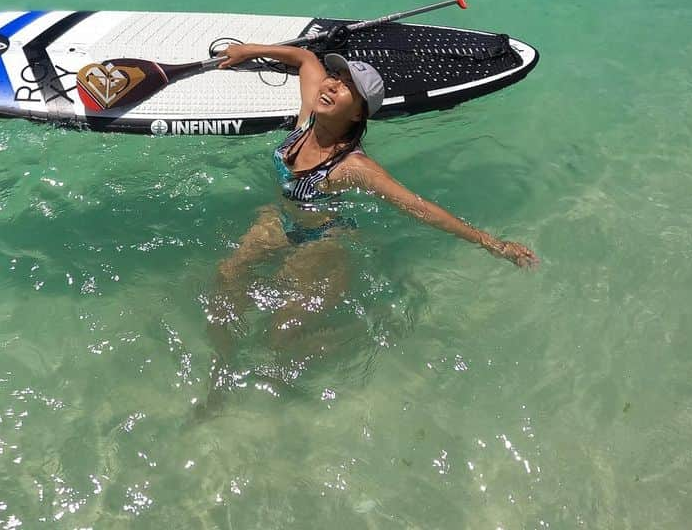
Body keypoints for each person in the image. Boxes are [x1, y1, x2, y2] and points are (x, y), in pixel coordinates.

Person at [201, 42, 538, 400]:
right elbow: (305, 59)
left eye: (347, 86)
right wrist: (247, 51)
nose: (331, 85)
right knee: (227, 275)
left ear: (359, 114)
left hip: (322, 238)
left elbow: (419, 207)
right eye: (335, 77)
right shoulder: (305, 122)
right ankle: (220, 368)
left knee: (279, 335)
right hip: (280, 219)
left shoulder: (353, 168)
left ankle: (361, 330)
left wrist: (493, 244)